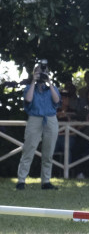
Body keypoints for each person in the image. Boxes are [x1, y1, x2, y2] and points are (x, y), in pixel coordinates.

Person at [16, 59, 60, 190]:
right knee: (29, 149)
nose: (41, 73)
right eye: (38, 71)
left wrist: (49, 82)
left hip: (50, 119)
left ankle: (46, 181)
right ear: (33, 73)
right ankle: (21, 180)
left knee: (48, 152)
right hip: (35, 119)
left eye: (44, 71)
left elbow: (57, 100)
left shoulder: (51, 88)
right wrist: (34, 81)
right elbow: (28, 99)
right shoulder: (30, 88)